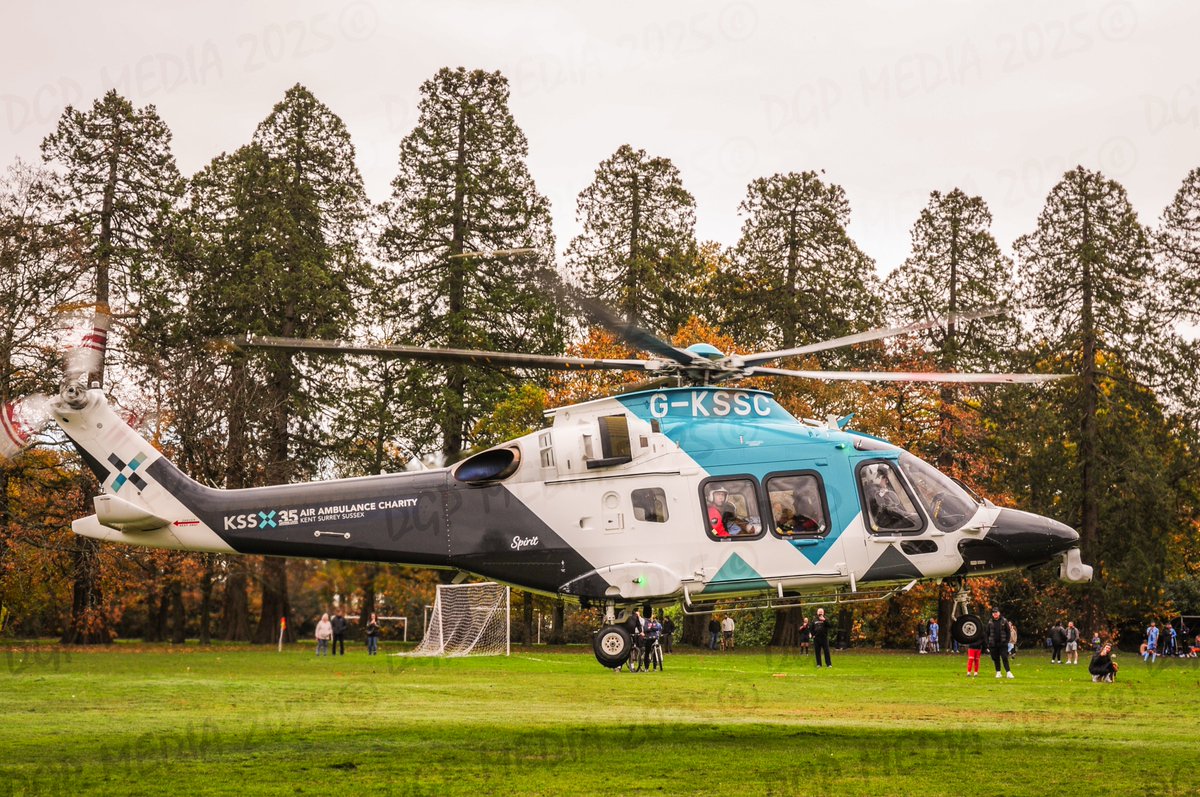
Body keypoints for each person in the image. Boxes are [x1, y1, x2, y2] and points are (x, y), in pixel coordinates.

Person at [986, 608, 1013, 678]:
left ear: (999, 613)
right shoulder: (990, 622)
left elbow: (1008, 632)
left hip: (1003, 643)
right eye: (993, 612)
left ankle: (1008, 672)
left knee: (1004, 657)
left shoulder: (1004, 621)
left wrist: (1006, 642)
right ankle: (998, 672)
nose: (995, 613)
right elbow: (987, 633)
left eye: (996, 612)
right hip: (993, 644)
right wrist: (988, 643)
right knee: (996, 658)